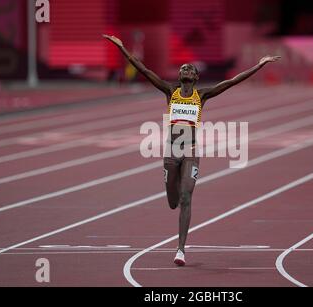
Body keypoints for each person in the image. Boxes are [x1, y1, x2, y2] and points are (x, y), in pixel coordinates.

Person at [103, 34, 280, 266]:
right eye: (183, 67)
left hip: (191, 152)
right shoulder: (170, 91)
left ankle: (180, 250)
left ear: (195, 77)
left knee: (186, 198)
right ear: (180, 76)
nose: (185, 69)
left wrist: (259, 65)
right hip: (171, 152)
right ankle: (173, 191)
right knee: (173, 201)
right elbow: (144, 70)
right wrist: (123, 48)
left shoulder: (202, 95)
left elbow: (233, 81)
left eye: (190, 68)